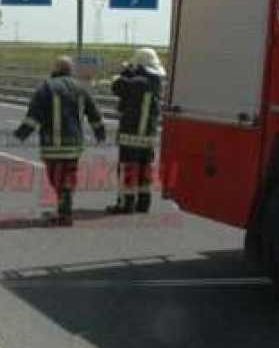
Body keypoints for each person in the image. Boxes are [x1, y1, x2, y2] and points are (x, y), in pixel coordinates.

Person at [13, 55, 106, 226]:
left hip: (52, 145)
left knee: (57, 179)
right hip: (74, 145)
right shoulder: (81, 88)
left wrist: (21, 133)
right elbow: (94, 114)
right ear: (71, 70)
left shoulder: (46, 87)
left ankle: (64, 213)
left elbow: (34, 115)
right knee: (68, 177)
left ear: (55, 69)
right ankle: (64, 210)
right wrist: (100, 133)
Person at [107, 47, 165, 214]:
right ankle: (143, 203)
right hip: (148, 136)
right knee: (144, 171)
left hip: (132, 136)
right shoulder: (156, 84)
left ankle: (126, 204)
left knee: (128, 170)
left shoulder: (138, 82)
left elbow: (116, 85)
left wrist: (126, 71)